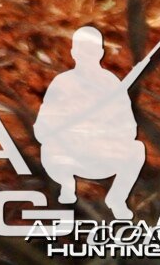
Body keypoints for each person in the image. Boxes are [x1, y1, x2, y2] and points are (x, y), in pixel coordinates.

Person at [37, 25, 146, 219]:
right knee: (48, 147)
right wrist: (69, 129)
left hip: (102, 154)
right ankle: (66, 186)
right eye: (82, 49)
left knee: (137, 149)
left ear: (101, 52)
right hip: (69, 154)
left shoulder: (112, 84)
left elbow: (129, 127)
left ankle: (117, 198)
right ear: (73, 52)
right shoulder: (62, 83)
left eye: (92, 50)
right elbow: (42, 127)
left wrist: (104, 129)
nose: (86, 55)